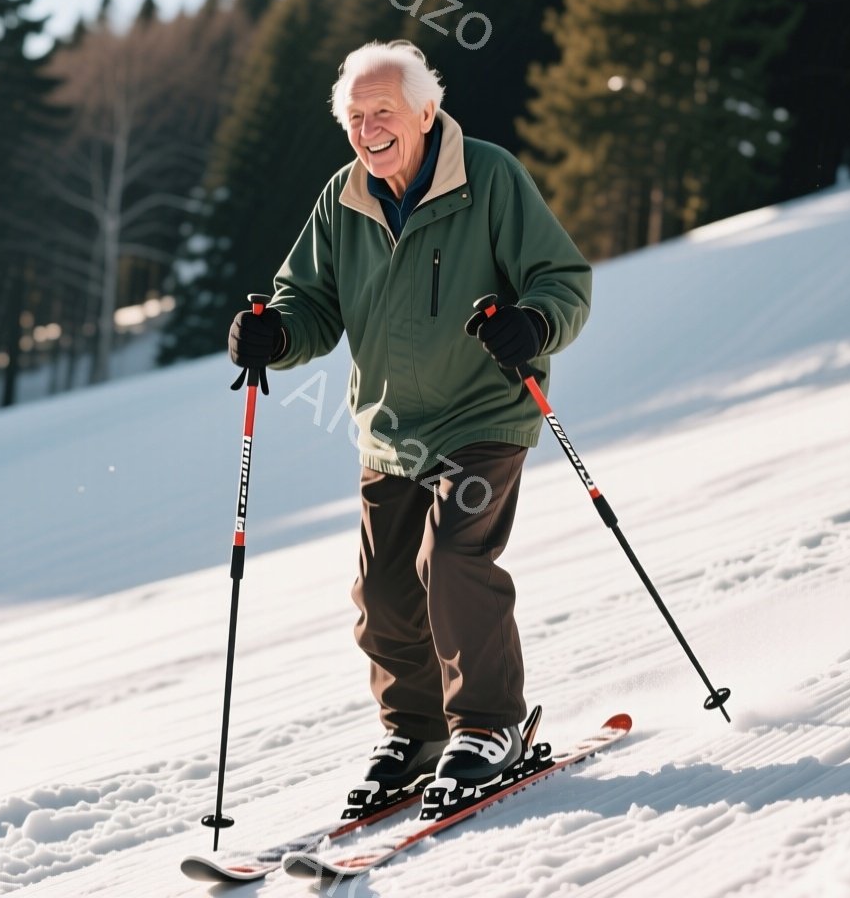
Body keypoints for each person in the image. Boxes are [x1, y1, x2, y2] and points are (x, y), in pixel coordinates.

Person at [227, 41, 592, 793]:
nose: (370, 128)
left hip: (484, 412)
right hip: (391, 429)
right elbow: (310, 303)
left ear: (426, 110)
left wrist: (533, 323)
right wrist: (276, 334)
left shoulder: (488, 178)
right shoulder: (344, 197)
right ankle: (417, 731)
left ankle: (491, 725)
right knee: (385, 595)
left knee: (454, 561)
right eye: (356, 116)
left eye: (384, 111)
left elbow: (562, 279)